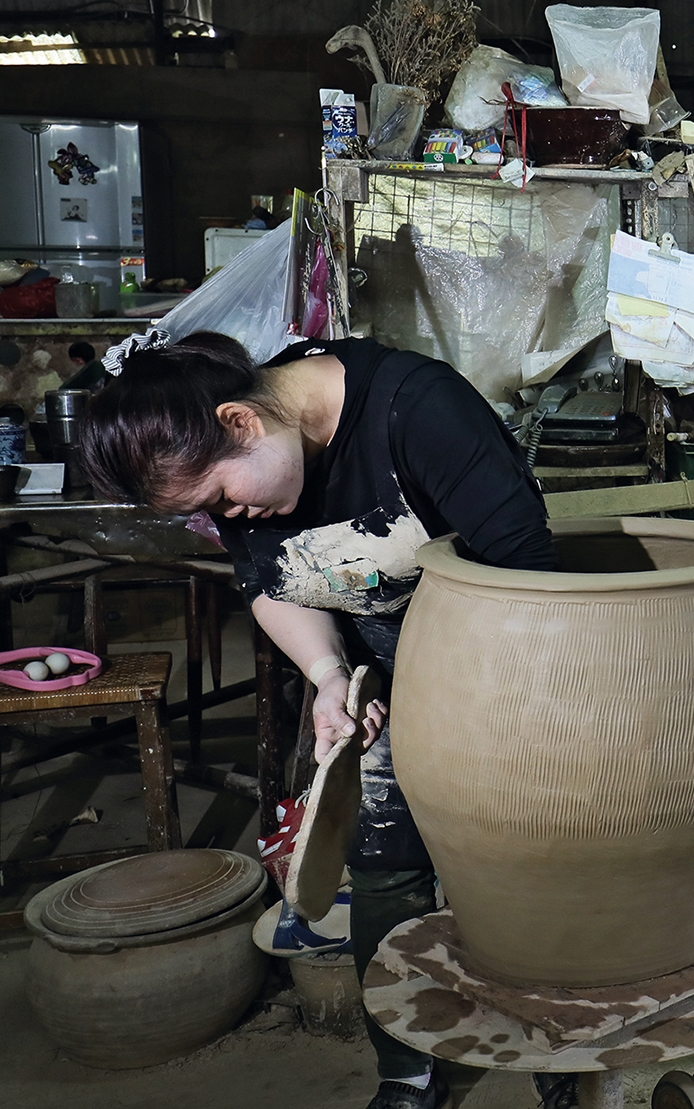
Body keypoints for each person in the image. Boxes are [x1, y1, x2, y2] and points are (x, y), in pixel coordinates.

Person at [80, 333, 575, 1109]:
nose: (231, 516)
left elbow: (532, 573)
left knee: (523, 865)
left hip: (508, 665)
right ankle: (408, 1071)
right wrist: (328, 674)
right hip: (380, 672)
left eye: (220, 500)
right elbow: (271, 583)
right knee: (383, 863)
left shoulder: (417, 409)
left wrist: (472, 704)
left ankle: (562, 1052)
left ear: (240, 421)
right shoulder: (253, 464)